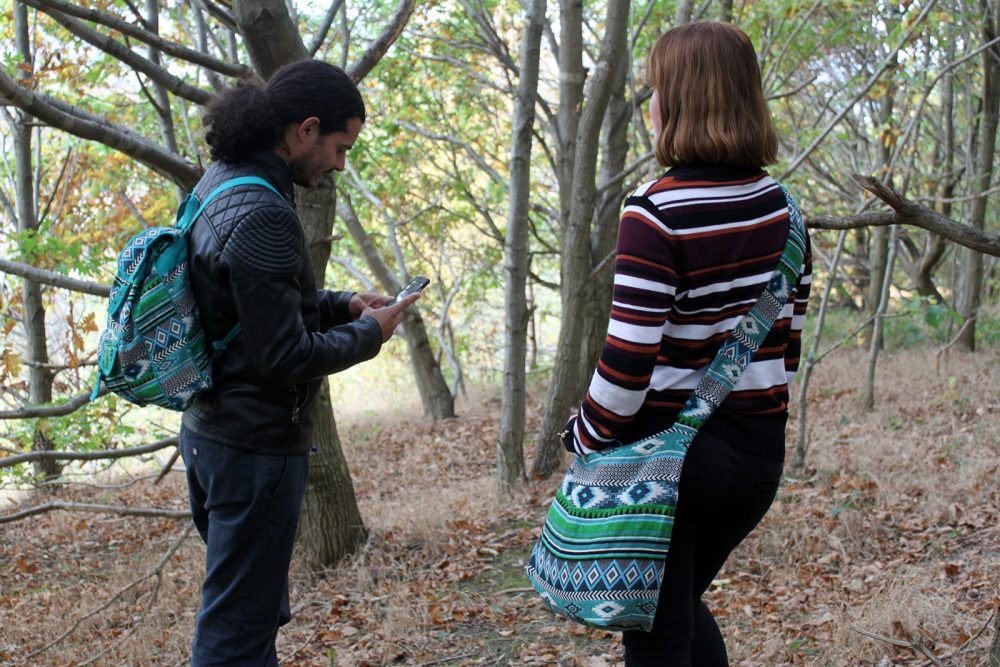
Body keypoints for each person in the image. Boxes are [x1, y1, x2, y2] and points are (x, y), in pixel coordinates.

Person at [560, 22, 812, 666]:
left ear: (679, 101)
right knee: (678, 616)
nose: (649, 104)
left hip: (669, 468)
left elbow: (626, 367)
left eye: (655, 90)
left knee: (659, 636)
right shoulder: (787, 211)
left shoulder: (655, 212)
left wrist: (583, 435)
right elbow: (786, 352)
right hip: (757, 461)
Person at [179, 60, 418, 666]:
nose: (340, 164)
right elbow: (283, 355)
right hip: (252, 448)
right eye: (340, 147)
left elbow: (249, 308)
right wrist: (369, 334)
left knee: (248, 615)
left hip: (214, 434)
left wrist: (342, 305)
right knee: (237, 630)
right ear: (306, 129)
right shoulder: (263, 211)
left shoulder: (221, 184)